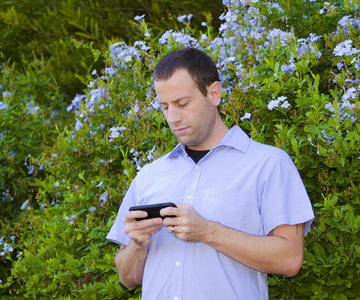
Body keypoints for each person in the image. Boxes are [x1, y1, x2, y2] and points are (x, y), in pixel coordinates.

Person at [106, 48, 314, 299]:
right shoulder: (149, 175)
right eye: (164, 107)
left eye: (182, 103)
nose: (173, 117)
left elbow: (290, 259)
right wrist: (138, 245)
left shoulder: (268, 164)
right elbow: (127, 279)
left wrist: (206, 231)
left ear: (214, 94)